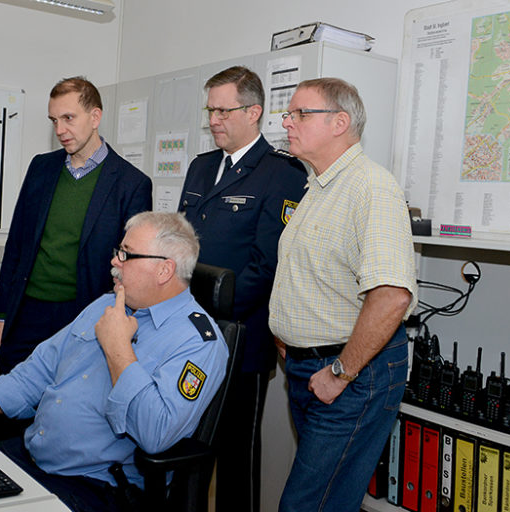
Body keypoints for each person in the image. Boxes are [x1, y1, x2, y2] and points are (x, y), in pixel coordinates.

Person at [0, 212, 228, 512]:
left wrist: (118, 348)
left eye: (127, 255)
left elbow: (155, 434)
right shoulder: (106, 303)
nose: (115, 261)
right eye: (119, 250)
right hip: (32, 456)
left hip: (94, 487)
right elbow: (39, 369)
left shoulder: (198, 342)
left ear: (164, 270)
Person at [269, 77, 418, 512]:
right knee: (327, 500)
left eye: (300, 114)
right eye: (288, 114)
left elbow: (392, 296)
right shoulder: (317, 185)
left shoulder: (370, 187)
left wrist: (340, 372)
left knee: (307, 506)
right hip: (308, 366)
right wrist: (289, 333)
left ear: (340, 122)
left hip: (352, 373)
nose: (287, 123)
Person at [0, 77, 151, 438]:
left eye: (68, 118)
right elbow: (17, 244)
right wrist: (1, 315)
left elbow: (130, 268)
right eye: (53, 121)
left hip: (82, 318)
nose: (60, 130)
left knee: (66, 419)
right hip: (26, 313)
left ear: (95, 117)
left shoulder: (130, 183)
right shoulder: (41, 169)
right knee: (9, 414)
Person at [177, 65, 306, 512]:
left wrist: (211, 312)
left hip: (240, 339)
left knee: (236, 458)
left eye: (223, 110)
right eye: (210, 110)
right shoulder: (200, 167)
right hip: (186, 336)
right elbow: (181, 245)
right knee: (186, 449)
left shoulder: (281, 173)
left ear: (254, 112)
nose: (214, 119)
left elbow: (267, 265)